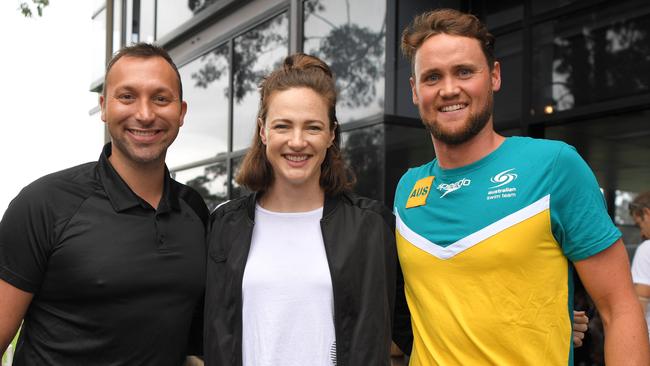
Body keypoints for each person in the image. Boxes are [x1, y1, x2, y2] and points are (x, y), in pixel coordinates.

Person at [394, 8, 649, 365]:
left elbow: (620, 308)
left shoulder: (555, 166)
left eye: (464, 72)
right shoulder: (407, 189)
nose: (449, 89)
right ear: (415, 91)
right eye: (432, 77)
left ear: (494, 76)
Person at [0, 43, 208, 365]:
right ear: (104, 107)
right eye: (127, 96)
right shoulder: (43, 204)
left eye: (160, 98)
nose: (145, 113)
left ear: (180, 113)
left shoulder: (194, 210)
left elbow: (190, 345)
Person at [204, 53, 411, 366]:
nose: (297, 141)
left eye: (313, 127)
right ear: (263, 131)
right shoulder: (224, 225)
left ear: (330, 134)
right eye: (283, 126)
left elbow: (414, 327)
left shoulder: (371, 226)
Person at [630, 191, 650, 338]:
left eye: (639, 224)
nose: (642, 233)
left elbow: (641, 302)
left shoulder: (647, 249)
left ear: (646, 213)